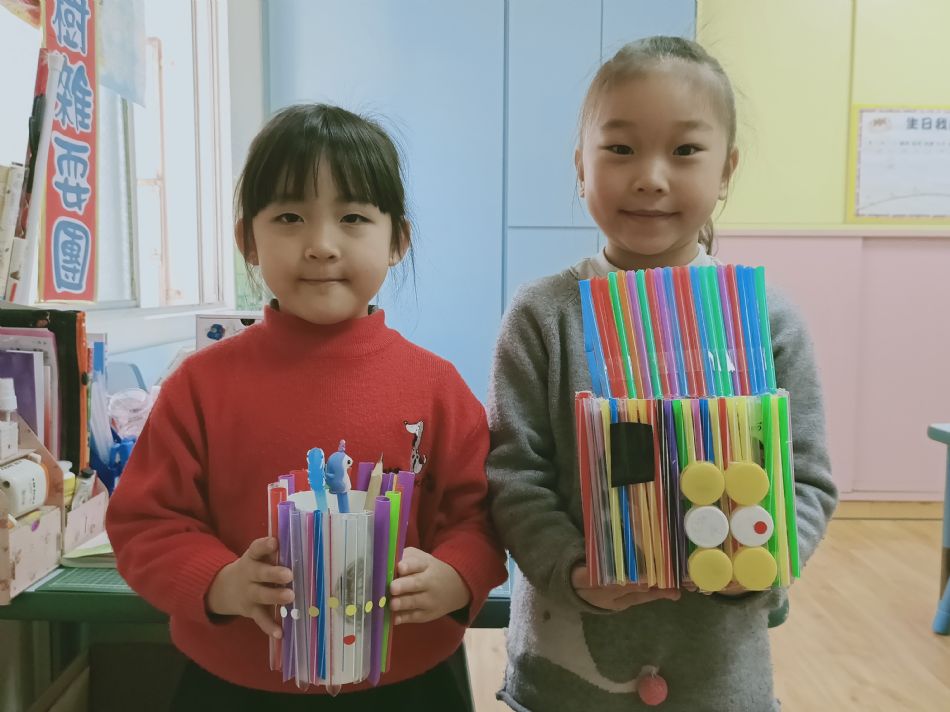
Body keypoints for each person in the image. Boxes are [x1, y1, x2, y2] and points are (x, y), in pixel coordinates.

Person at [107, 103, 507, 711]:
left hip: (408, 682)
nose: (321, 245)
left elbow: (479, 517)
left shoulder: (437, 386)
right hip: (236, 684)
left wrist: (456, 574)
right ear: (248, 239)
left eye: (353, 218)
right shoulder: (199, 385)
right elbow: (146, 523)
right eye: (290, 217)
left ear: (397, 240)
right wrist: (219, 582)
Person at [486, 37, 837, 711]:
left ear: (726, 170)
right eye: (620, 148)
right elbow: (513, 473)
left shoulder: (767, 318)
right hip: (564, 679)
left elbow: (807, 478)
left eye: (685, 150)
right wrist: (573, 569)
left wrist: (757, 565)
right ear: (580, 166)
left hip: (718, 678)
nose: (650, 176)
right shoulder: (543, 315)